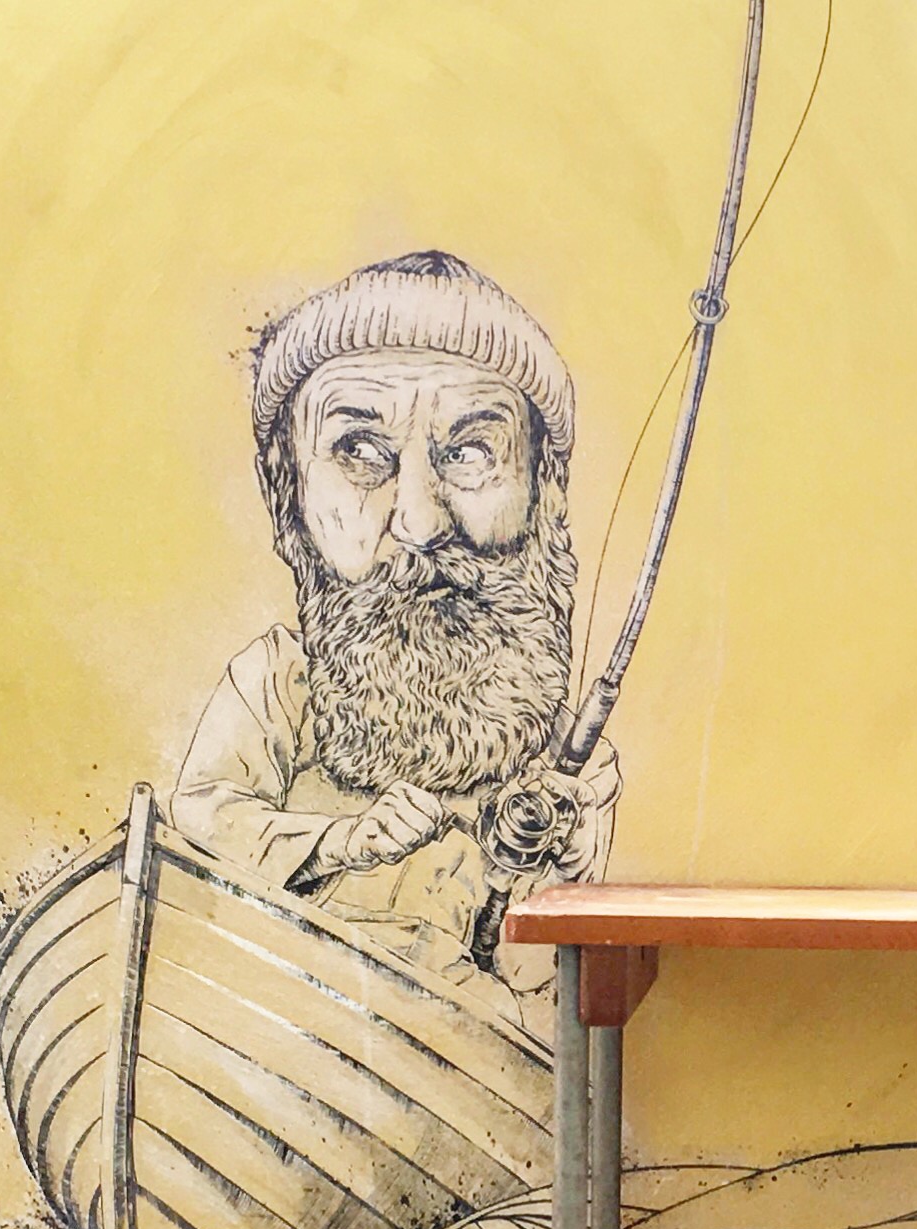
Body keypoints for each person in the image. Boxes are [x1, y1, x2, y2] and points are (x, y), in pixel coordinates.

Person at [170, 250, 619, 1027]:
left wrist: (566, 873)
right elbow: (202, 831)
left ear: (542, 492)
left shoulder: (569, 759)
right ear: (287, 493)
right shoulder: (278, 682)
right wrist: (340, 842)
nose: (417, 521)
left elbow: (540, 983)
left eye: (470, 452)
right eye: (360, 452)